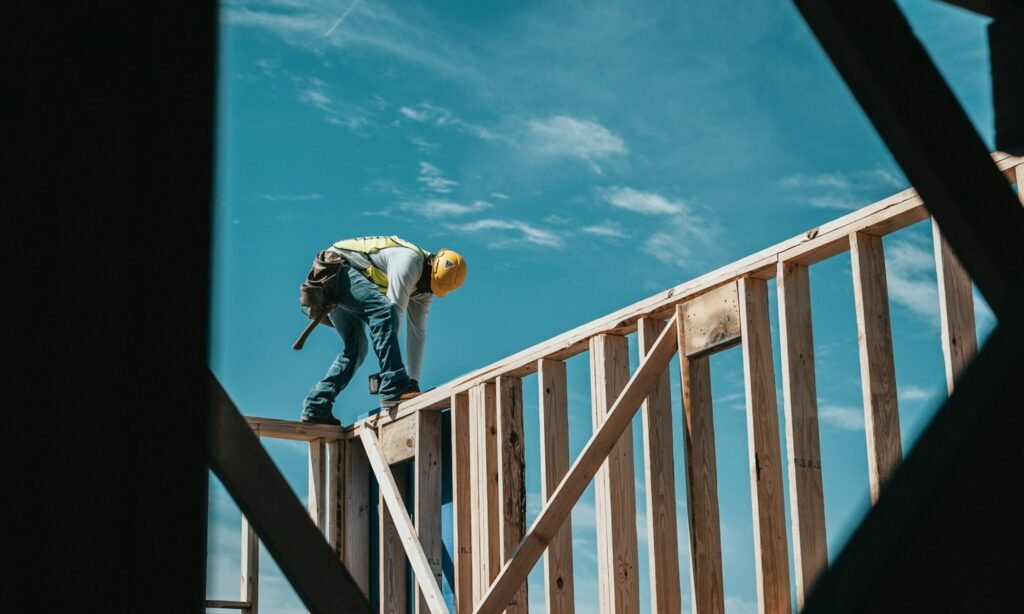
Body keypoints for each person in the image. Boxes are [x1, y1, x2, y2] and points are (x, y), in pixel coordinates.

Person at [299, 235, 466, 425]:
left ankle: (316, 405)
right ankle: (393, 384)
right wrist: (395, 382)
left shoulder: (425, 289)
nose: (425, 290)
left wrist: (413, 383)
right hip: (334, 269)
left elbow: (417, 334)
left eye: (431, 288)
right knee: (384, 311)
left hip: (344, 280)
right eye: (427, 283)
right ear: (431, 265)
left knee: (357, 349)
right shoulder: (409, 261)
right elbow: (393, 313)